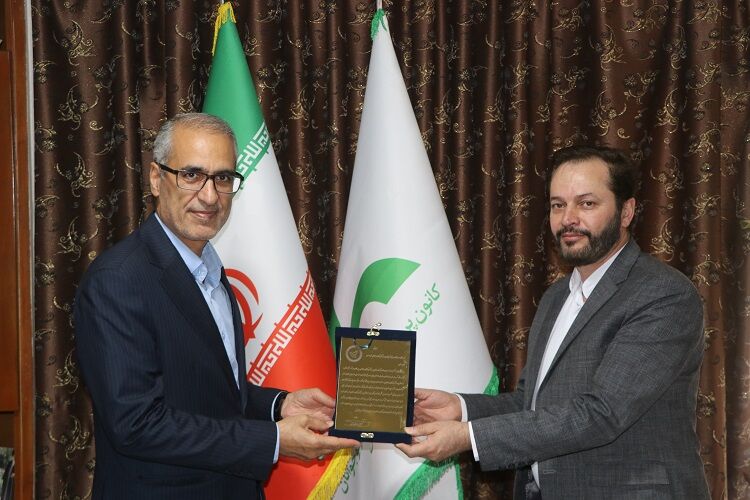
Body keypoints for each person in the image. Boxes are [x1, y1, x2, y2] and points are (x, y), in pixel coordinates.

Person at [397, 145, 709, 499]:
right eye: (558, 205)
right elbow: (531, 403)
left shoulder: (663, 294)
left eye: (586, 203)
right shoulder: (556, 297)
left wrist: (468, 436)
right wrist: (461, 409)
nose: (568, 219)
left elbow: (602, 413)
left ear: (626, 212)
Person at [75, 113, 358, 500]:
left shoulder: (209, 267)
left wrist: (280, 405)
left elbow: (209, 391)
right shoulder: (117, 281)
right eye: (192, 175)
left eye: (223, 178)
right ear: (156, 178)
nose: (209, 196)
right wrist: (273, 440)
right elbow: (137, 424)